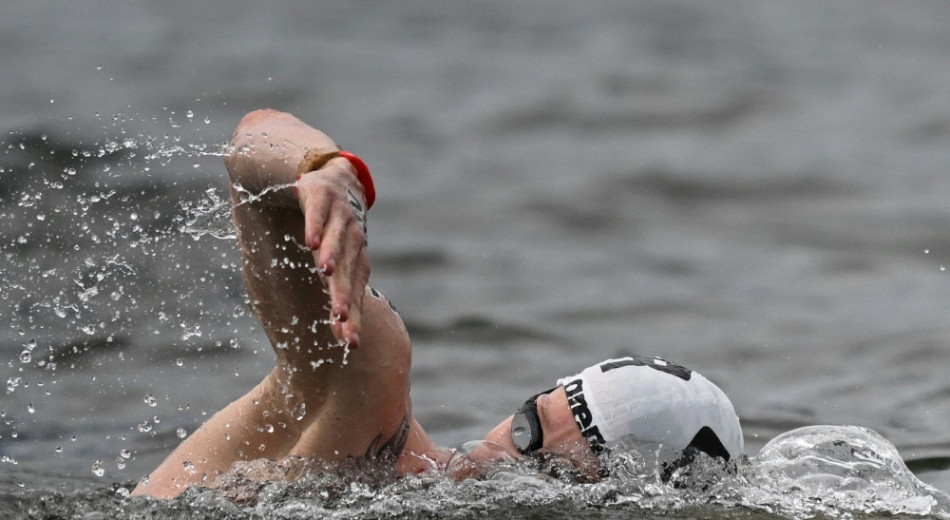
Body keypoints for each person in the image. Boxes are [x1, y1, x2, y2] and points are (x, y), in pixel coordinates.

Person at [131, 110, 743, 499]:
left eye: (548, 465)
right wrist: (321, 168)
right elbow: (250, 145)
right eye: (527, 422)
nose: (503, 450)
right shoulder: (372, 389)